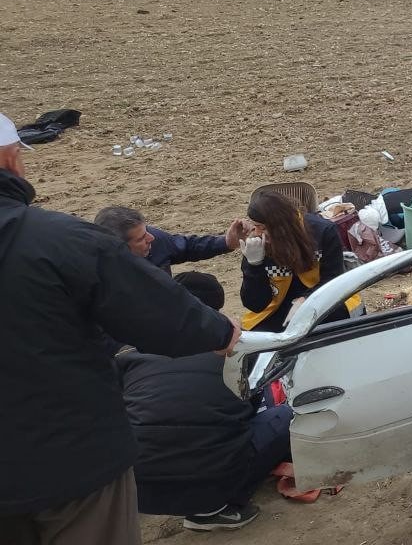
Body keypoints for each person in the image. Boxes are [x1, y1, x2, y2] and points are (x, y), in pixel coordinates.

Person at [0, 113, 242, 545]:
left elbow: (186, 248)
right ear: (10, 160)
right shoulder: (61, 241)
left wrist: (225, 243)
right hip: (70, 459)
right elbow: (161, 314)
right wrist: (220, 333)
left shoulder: (138, 241)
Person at [117, 272, 293, 531]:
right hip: (212, 481)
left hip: (135, 490)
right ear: (216, 308)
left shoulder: (132, 349)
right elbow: (252, 408)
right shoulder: (236, 349)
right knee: (285, 415)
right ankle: (213, 510)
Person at [240, 189, 358, 332]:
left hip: (321, 297)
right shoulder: (257, 243)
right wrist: (254, 265)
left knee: (335, 325)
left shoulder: (322, 232)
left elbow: (333, 280)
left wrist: (306, 300)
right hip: (277, 307)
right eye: (255, 226)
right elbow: (255, 305)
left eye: (263, 228)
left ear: (282, 226)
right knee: (259, 340)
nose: (258, 233)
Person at [94, 205, 248, 275]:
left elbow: (186, 247)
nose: (151, 238)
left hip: (163, 301)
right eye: (141, 238)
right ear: (119, 247)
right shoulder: (97, 273)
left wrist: (226, 243)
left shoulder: (153, 239)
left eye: (146, 230)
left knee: (202, 286)